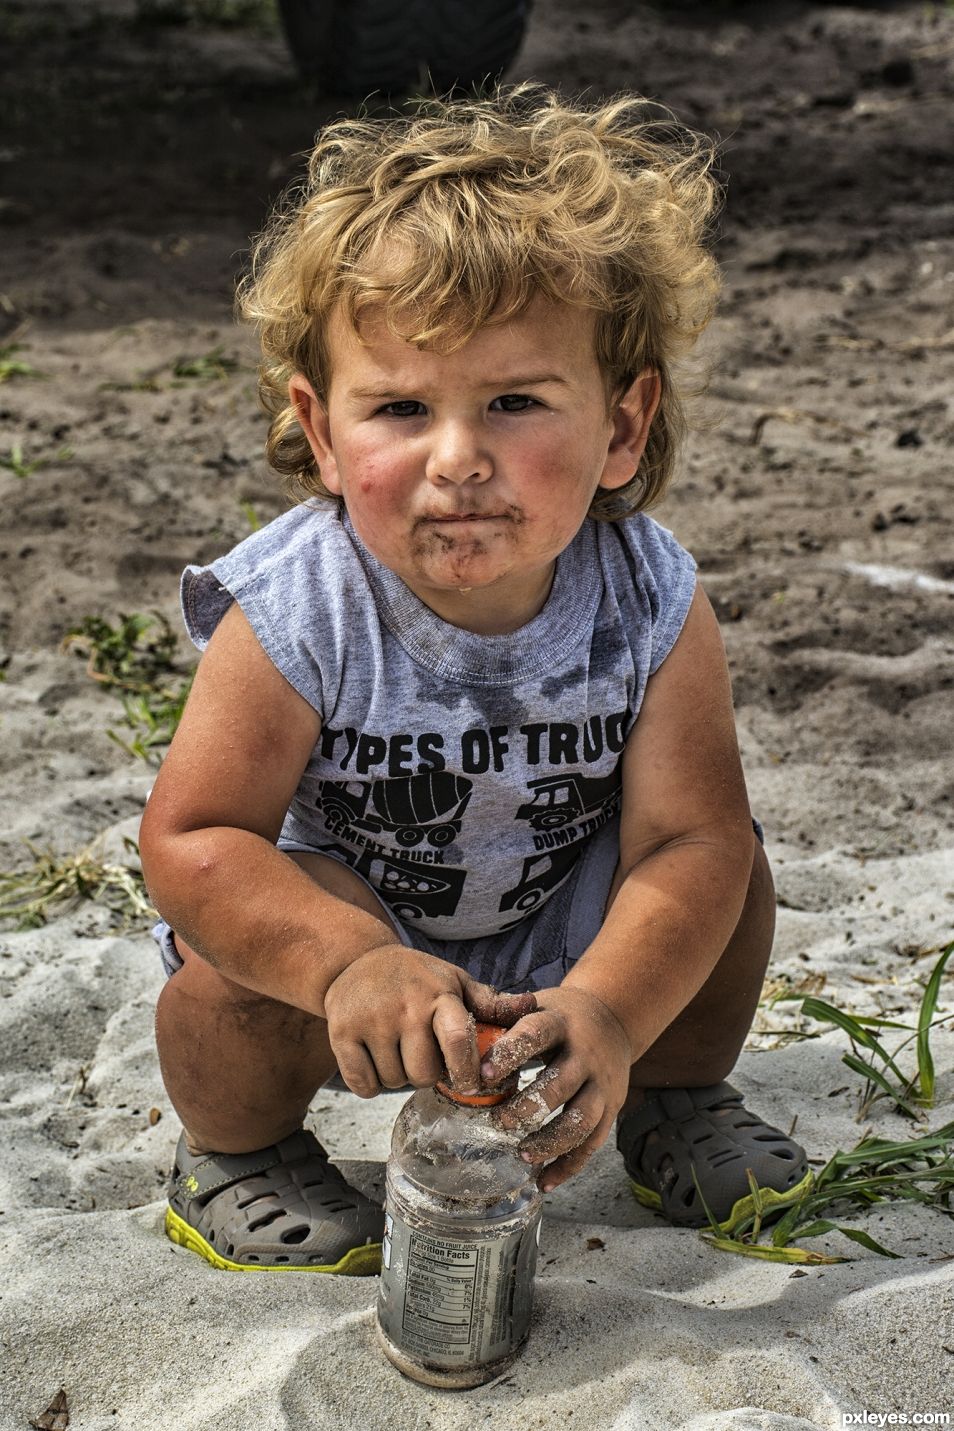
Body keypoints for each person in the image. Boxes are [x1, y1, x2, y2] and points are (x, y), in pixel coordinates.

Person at [139, 84, 811, 1274]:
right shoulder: (301, 604)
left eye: (514, 401)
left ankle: (673, 1092)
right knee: (222, 985)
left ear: (623, 423)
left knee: (733, 882)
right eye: (400, 407)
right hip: (354, 924)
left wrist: (608, 1007)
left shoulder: (650, 596)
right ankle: (236, 1154)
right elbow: (193, 842)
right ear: (323, 428)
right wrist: (345, 962)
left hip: (564, 916)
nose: (458, 459)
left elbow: (687, 842)